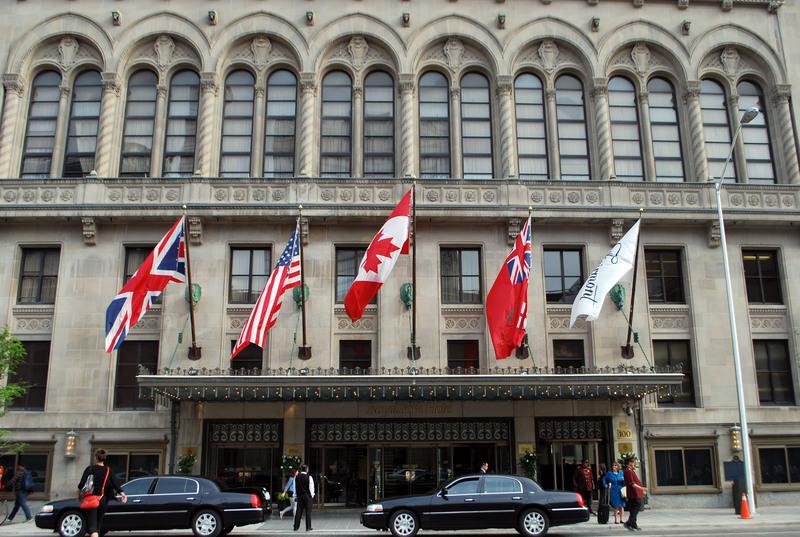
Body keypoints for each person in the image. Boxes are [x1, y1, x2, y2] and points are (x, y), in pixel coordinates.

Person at [78, 449, 127, 537]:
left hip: (91, 499)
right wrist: (122, 493)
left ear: (96, 457)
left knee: (93, 527)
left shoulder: (90, 469)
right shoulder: (108, 470)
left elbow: (81, 485)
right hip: (103, 500)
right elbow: (115, 483)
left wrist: (79, 494)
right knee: (97, 526)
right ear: (105, 458)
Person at [623, 457, 646, 532]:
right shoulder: (628, 471)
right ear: (629, 463)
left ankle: (634, 525)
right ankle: (629, 523)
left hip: (635, 493)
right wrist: (641, 488)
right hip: (634, 494)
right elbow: (632, 483)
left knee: (633, 509)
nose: (634, 463)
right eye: (633, 462)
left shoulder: (630, 470)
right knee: (635, 509)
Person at [293, 464, 315, 532]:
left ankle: (296, 527)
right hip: (307, 496)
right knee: (308, 512)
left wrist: (295, 495)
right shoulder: (309, 477)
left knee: (298, 511)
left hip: (299, 496)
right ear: (306, 470)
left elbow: (295, 488)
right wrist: (312, 495)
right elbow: (311, 488)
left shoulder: (296, 477)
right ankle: (308, 527)